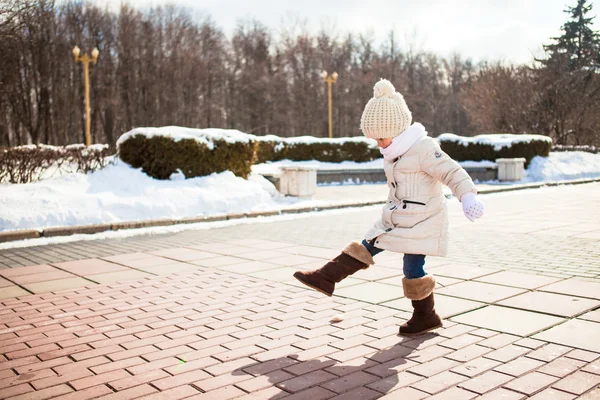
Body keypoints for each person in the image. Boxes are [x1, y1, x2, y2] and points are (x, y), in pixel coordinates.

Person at [293, 79, 485, 336]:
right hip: (396, 217)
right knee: (368, 243)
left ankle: (425, 315)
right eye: (374, 139)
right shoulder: (393, 152)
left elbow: (452, 172)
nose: (378, 144)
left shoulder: (423, 148)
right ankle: (326, 277)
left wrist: (467, 195)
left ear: (396, 130)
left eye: (381, 138)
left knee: (412, 268)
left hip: (422, 221)